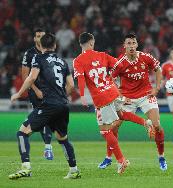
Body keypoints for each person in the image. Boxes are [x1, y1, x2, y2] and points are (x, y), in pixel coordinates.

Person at [73, 32, 153, 174]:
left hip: (101, 98)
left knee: (105, 131)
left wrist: (82, 96)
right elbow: (119, 64)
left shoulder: (78, 61)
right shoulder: (103, 55)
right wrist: (113, 78)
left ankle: (121, 160)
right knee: (121, 114)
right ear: (92, 43)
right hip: (113, 91)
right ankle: (145, 122)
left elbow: (80, 79)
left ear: (80, 44)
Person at [9, 33, 81, 179]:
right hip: (63, 105)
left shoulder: (38, 58)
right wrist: (61, 97)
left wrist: (19, 94)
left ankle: (26, 167)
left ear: (41, 46)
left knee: (22, 133)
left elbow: (32, 77)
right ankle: (74, 170)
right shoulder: (62, 61)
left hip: (49, 104)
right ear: (55, 45)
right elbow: (72, 85)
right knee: (62, 138)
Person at [101, 33, 167, 171]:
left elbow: (158, 69)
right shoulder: (120, 62)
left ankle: (161, 157)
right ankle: (108, 158)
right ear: (124, 46)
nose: (131, 46)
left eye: (133, 43)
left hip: (146, 95)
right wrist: (120, 96)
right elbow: (110, 80)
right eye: (128, 43)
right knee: (113, 127)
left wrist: (157, 88)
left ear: (137, 45)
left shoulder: (146, 57)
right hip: (128, 98)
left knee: (157, 126)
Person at [21, 28, 54, 160]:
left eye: (42, 36)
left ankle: (28, 124)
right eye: (37, 36)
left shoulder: (50, 53)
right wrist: (36, 90)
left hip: (49, 91)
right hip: (36, 92)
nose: (39, 38)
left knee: (45, 118)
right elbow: (25, 76)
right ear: (34, 38)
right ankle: (48, 148)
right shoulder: (29, 54)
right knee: (45, 117)